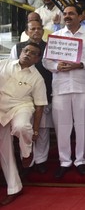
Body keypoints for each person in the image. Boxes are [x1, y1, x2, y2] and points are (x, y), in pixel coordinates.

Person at [43, 4, 85, 179]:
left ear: (80, 16)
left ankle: (81, 160)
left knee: (82, 125)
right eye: (65, 14)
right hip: (60, 87)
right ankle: (64, 161)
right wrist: (56, 66)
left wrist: (81, 64)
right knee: (62, 126)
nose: (67, 16)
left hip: (83, 86)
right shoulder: (55, 36)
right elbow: (46, 61)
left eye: (71, 14)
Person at [0, 42, 47, 206]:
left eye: (32, 53)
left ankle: (27, 153)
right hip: (1, 107)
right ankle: (14, 188)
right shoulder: (4, 64)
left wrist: (35, 131)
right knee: (4, 151)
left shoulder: (37, 78)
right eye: (26, 50)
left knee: (21, 127)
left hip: (22, 106)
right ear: (20, 52)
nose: (27, 54)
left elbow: (40, 105)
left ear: (37, 59)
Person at [10, 19, 53, 174]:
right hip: (22, 97)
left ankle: (41, 160)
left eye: (39, 29)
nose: (36, 31)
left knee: (42, 128)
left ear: (43, 31)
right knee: (25, 128)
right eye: (32, 29)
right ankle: (28, 159)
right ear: (27, 32)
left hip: (45, 92)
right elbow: (12, 69)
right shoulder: (18, 48)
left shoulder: (51, 46)